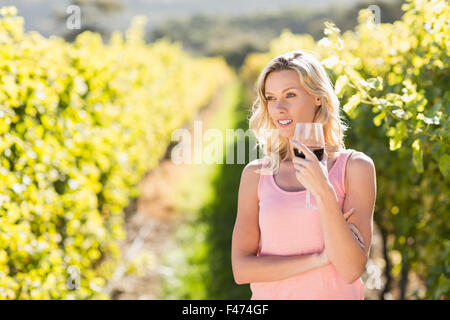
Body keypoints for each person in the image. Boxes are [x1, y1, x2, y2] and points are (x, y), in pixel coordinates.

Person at [231, 50, 377, 300]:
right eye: (271, 98)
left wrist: (324, 191)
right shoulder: (256, 174)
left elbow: (351, 268)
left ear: (317, 98)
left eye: (290, 95)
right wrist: (319, 259)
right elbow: (242, 270)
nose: (279, 108)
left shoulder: (355, 168)